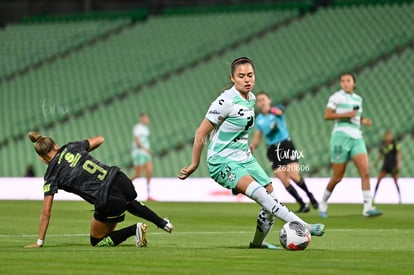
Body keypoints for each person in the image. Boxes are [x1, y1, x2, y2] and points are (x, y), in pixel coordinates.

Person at [177, 57, 325, 249]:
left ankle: (257, 243)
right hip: (222, 160)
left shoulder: (251, 98)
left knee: (271, 198)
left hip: (245, 158)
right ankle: (303, 225)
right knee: (262, 195)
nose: (247, 79)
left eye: (250, 75)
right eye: (241, 76)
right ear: (232, 78)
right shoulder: (225, 101)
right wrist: (194, 163)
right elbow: (200, 132)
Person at [25, 131, 173, 249]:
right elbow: (100, 139)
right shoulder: (71, 147)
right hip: (119, 178)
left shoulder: (52, 174)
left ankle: (135, 230)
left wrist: (39, 242)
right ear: (56, 145)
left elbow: (46, 212)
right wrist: (83, 150)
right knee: (129, 202)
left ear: (42, 159)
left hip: (107, 199)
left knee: (97, 241)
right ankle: (163, 223)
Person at [319, 72, 383, 218]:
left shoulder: (358, 99)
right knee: (337, 177)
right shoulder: (336, 97)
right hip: (340, 138)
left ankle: (368, 207)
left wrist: (362, 121)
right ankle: (323, 202)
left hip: (356, 138)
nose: (345, 83)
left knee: (365, 172)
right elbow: (327, 115)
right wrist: (346, 114)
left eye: (348, 80)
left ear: (354, 83)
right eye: (342, 81)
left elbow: (355, 117)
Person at [251, 91, 318, 213]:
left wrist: (270, 110)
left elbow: (281, 111)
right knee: (283, 178)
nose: (261, 102)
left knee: (293, 175)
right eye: (259, 100)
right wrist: (253, 146)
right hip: (272, 149)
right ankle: (302, 204)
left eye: (263, 99)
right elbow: (258, 135)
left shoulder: (276, 111)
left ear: (269, 100)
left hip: (285, 145)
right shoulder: (259, 119)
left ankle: (310, 195)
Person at [373, 131, 402, 203]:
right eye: (387, 136)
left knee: (395, 181)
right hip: (385, 165)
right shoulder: (383, 144)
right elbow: (381, 154)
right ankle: (373, 197)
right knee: (379, 179)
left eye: (390, 136)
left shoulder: (395, 144)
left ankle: (400, 198)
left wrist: (398, 164)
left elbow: (399, 153)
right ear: (385, 136)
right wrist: (376, 162)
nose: (389, 137)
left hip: (393, 165)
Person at [131, 113, 153, 200]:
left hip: (146, 153)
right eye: (146, 118)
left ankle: (148, 195)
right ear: (142, 118)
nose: (147, 120)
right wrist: (145, 149)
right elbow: (137, 141)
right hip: (139, 152)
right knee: (137, 175)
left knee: (149, 172)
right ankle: (121, 186)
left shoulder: (146, 128)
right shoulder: (138, 128)